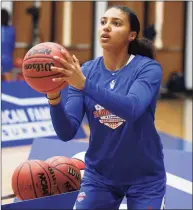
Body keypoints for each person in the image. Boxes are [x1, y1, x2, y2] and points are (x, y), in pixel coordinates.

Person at [46, 5, 166, 209]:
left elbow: (132, 109)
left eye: (116, 23)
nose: (106, 27)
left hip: (145, 179)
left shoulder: (148, 68)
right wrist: (54, 97)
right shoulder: (87, 71)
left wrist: (84, 84)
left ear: (132, 35)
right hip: (100, 176)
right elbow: (67, 132)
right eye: (103, 22)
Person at [1, 9, 16, 81]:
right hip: (7, 59)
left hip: (5, 57)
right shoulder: (12, 29)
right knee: (9, 83)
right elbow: (12, 46)